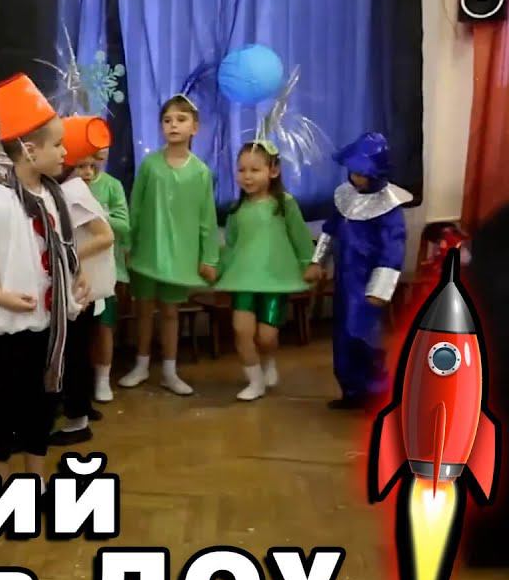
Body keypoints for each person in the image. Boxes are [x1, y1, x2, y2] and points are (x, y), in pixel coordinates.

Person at [0, 73, 87, 483]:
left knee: (42, 404)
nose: (65, 152)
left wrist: (78, 279)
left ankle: (35, 481)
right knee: (2, 407)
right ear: (28, 150)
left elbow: (64, 249)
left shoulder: (56, 196)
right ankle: (1, 486)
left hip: (49, 324)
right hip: (9, 328)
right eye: (57, 145)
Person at [119, 95, 220, 395]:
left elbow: (207, 219)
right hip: (146, 253)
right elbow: (135, 207)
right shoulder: (150, 165)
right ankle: (141, 365)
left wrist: (209, 258)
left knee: (171, 312)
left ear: (195, 127)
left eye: (181, 119)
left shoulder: (201, 172)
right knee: (143, 309)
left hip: (180, 257)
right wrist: (128, 244)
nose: (173, 125)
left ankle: (169, 371)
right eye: (167, 120)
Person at [307, 132, 409, 410]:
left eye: (363, 174)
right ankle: (351, 391)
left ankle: (376, 392)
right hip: (345, 280)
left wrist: (380, 290)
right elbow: (329, 232)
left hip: (368, 283)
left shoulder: (389, 210)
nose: (357, 178)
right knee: (342, 336)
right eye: (353, 172)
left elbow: (392, 251)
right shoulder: (345, 197)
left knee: (364, 336)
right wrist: (317, 262)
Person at [212, 142, 315, 400]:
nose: (247, 176)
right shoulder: (236, 211)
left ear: (273, 171)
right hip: (243, 280)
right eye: (241, 170)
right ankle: (255, 381)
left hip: (275, 280)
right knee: (241, 330)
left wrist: (309, 263)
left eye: (254, 170)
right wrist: (217, 268)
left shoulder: (284, 204)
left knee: (266, 337)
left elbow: (300, 237)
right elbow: (231, 246)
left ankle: (268, 360)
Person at [51, 116, 116, 446]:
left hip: (81, 288)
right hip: (84, 287)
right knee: (79, 351)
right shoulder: (72, 189)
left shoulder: (72, 190)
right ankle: (83, 408)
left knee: (74, 353)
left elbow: (106, 236)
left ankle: (77, 420)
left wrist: (67, 255)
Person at [88, 142, 130, 403]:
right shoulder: (66, 184)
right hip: (76, 270)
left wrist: (100, 215)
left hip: (108, 270)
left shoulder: (112, 186)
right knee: (80, 331)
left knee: (104, 326)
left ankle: (103, 380)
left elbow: (124, 226)